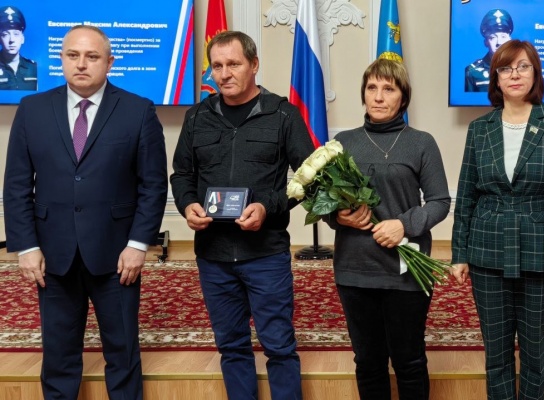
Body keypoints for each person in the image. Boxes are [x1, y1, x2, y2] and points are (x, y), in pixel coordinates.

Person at [3, 25, 168, 399]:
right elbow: (16, 186)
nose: (81, 64)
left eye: (92, 57)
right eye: (72, 55)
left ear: (109, 62)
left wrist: (138, 244)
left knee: (122, 353)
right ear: (61, 59)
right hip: (52, 254)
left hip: (117, 255)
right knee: (58, 355)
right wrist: (26, 247)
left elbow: (153, 185)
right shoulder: (32, 110)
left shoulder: (138, 110)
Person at [170, 30, 314, 400]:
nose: (224, 74)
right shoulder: (197, 116)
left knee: (279, 346)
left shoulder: (283, 114)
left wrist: (268, 206)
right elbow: (182, 174)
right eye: (217, 66)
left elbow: (308, 177)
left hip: (265, 253)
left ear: (254, 65)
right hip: (213, 255)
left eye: (233, 64)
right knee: (231, 346)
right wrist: (187, 204)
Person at [451, 39, 544, 399]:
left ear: (535, 74)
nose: (515, 74)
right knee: (495, 354)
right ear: (495, 77)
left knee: (535, 352)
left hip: (541, 255)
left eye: (523, 66)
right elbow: (466, 194)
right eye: (506, 68)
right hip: (487, 252)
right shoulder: (480, 128)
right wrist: (459, 253)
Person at [325, 58, 451, 399]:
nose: (379, 97)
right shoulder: (343, 143)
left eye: (388, 89)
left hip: (405, 269)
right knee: (368, 362)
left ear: (403, 98)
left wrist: (403, 225)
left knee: (409, 361)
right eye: (372, 88)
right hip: (355, 269)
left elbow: (440, 201)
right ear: (363, 94)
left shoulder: (421, 142)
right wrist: (338, 218)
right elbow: (326, 204)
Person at [465, 8, 513, 92]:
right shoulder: (472, 72)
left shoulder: (522, 69)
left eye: (503, 36)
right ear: (486, 42)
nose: (499, 42)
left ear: (510, 40)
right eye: (493, 37)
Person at [0, 5, 37, 90]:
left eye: (16, 34)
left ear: (22, 39)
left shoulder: (34, 68)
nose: (11, 40)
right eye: (5, 34)